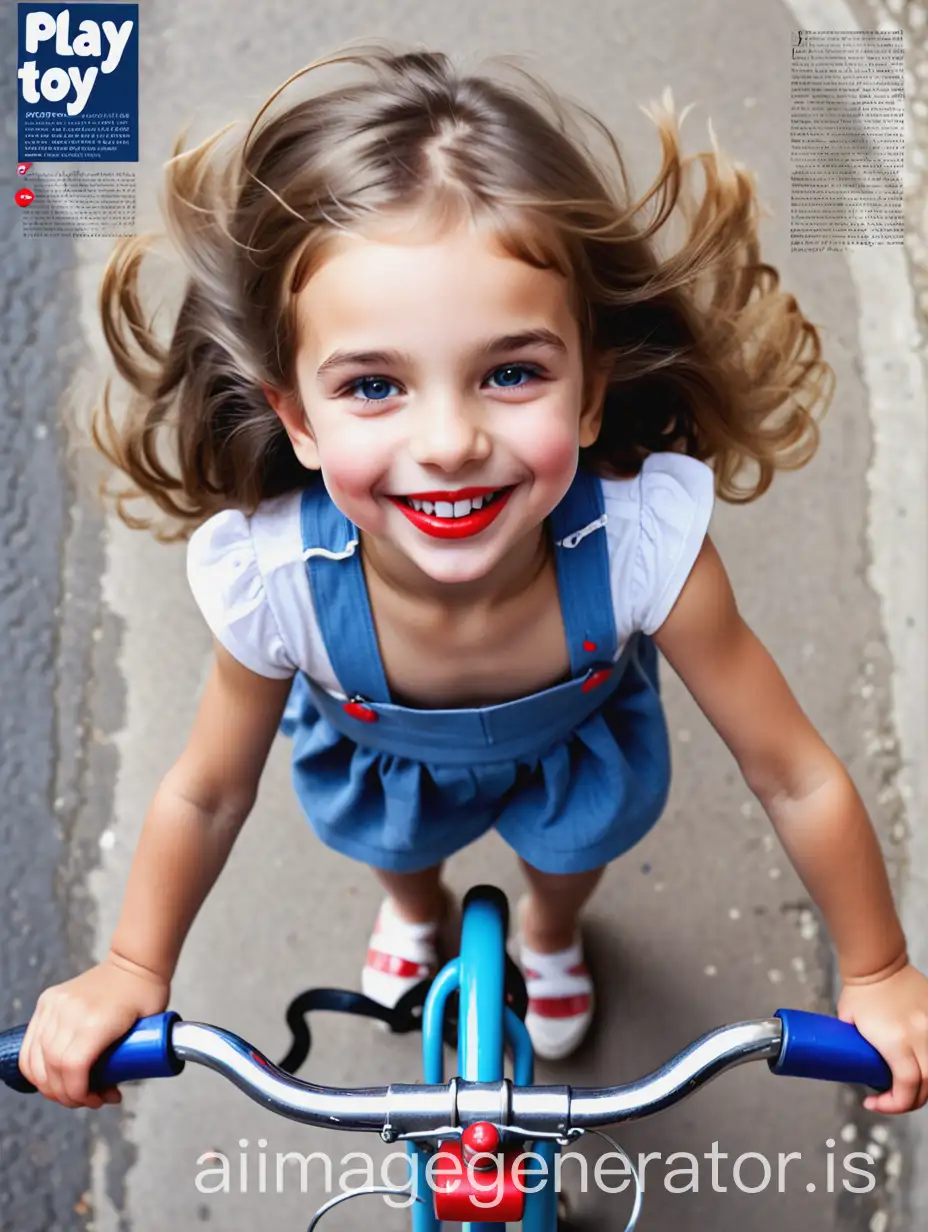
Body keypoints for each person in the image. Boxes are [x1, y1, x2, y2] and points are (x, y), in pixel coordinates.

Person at [19, 43, 928, 1114]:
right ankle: (411, 910)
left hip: (578, 761)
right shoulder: (278, 581)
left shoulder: (642, 544)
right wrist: (132, 965)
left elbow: (795, 773)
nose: (448, 441)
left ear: (590, 395)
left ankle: (550, 930)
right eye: (372, 385)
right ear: (296, 418)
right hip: (380, 773)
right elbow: (206, 788)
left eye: (510, 372)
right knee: (397, 853)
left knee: (568, 861)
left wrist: (874, 970)